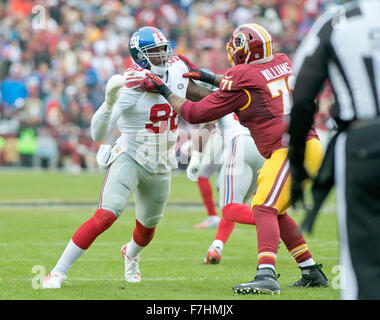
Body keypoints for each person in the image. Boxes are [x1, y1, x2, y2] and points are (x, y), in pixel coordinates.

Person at [138, 23, 329, 295]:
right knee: (277, 210)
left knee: (263, 208)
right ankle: (311, 270)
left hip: (292, 149)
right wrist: (206, 75)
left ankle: (265, 275)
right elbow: (246, 81)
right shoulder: (280, 60)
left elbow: (194, 113)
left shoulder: (242, 76)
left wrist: (165, 91)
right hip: (298, 147)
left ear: (242, 51)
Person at [42, 26, 213, 289]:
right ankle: (57, 272)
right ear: (141, 57)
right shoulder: (130, 85)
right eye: (155, 52)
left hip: (160, 162)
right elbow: (98, 132)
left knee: (147, 230)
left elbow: (202, 99)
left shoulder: (176, 68)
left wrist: (229, 99)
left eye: (164, 49)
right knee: (106, 215)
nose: (164, 56)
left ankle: (130, 255)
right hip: (130, 157)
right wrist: (109, 102)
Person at [288, 0, 380, 300]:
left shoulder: (337, 21)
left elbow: (302, 96)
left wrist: (298, 165)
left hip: (363, 143)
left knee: (363, 266)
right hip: (362, 142)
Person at [188, 112, 265, 264]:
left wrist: (195, 157)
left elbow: (207, 124)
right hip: (263, 148)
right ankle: (216, 246)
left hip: (240, 145)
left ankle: (274, 224)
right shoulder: (257, 90)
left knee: (230, 207)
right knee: (236, 205)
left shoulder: (224, 91)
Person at [187, 126, 222, 229]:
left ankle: (212, 216)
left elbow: (208, 123)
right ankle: (265, 210)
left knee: (201, 176)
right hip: (237, 137)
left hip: (223, 137)